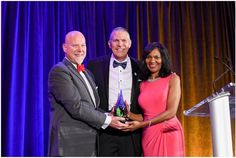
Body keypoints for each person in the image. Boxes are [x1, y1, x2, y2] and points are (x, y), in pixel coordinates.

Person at [47, 31, 127, 156]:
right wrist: (107, 120)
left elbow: (91, 107)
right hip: (70, 144)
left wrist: (108, 114)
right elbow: (76, 106)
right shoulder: (59, 71)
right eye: (75, 45)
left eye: (83, 45)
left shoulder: (87, 73)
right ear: (64, 47)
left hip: (89, 142)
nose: (80, 50)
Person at [122, 42, 185, 156]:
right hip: (149, 134)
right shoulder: (142, 84)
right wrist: (129, 114)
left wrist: (142, 125)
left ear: (163, 59)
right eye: (148, 57)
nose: (152, 61)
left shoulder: (173, 78)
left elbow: (171, 112)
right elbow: (147, 116)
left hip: (168, 131)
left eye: (157, 57)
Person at [87, 27, 143, 156]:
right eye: (116, 40)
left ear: (130, 43)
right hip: (105, 130)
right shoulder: (94, 66)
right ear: (109, 43)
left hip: (131, 131)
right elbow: (88, 98)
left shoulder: (140, 67)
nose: (120, 44)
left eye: (124, 40)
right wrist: (105, 117)